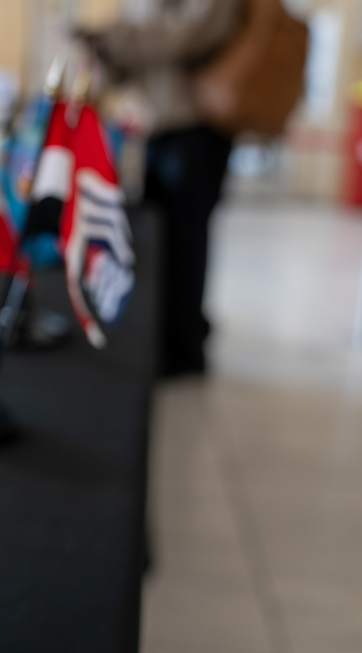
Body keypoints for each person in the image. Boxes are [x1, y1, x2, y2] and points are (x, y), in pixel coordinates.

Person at [79, 0, 244, 376]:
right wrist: (105, 51)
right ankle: (165, 337)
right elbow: (139, 57)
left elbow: (180, 37)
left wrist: (115, 37)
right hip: (157, 128)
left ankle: (185, 350)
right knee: (162, 243)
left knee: (185, 243)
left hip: (197, 130)